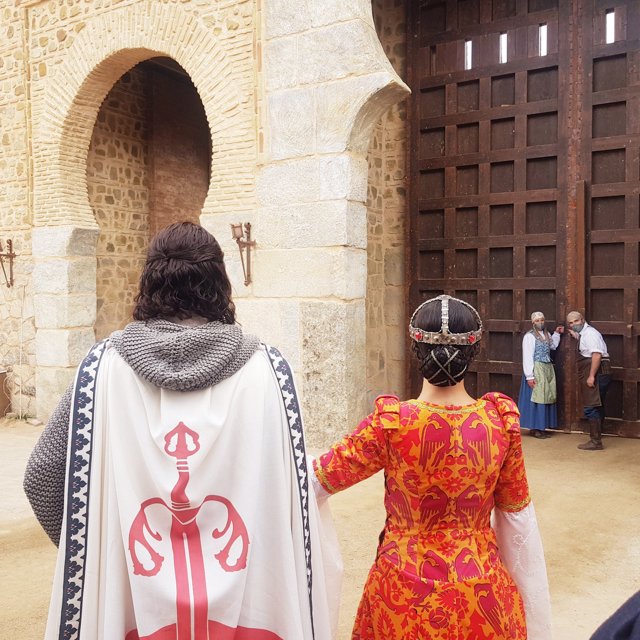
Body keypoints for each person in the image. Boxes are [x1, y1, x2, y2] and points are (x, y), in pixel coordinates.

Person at [24, 222, 340, 640]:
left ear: (150, 283)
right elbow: (290, 498)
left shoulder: (102, 370)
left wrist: (103, 553)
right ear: (219, 283)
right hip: (246, 606)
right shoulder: (270, 371)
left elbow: (42, 476)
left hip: (132, 604)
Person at [310, 294, 552, 640]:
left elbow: (312, 483)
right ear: (475, 351)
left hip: (401, 598)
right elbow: (518, 521)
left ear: (415, 351)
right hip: (483, 598)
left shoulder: (392, 424)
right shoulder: (499, 422)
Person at [566, 310, 612, 451]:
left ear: (582, 320)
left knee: (591, 405)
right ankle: (598, 435)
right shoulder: (584, 334)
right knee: (598, 404)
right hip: (599, 371)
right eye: (571, 323)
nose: (574, 324)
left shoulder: (591, 334)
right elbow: (585, 343)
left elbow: (597, 355)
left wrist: (591, 376)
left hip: (597, 372)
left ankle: (595, 441)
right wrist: (576, 336)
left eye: (576, 321)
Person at [518, 311, 562, 439]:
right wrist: (529, 376)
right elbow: (527, 356)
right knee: (537, 397)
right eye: (537, 321)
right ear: (533, 322)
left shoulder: (547, 334)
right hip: (536, 368)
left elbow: (553, 346)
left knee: (547, 396)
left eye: (542, 320)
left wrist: (557, 333)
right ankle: (535, 428)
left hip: (547, 367)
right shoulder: (529, 336)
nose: (540, 322)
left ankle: (543, 426)